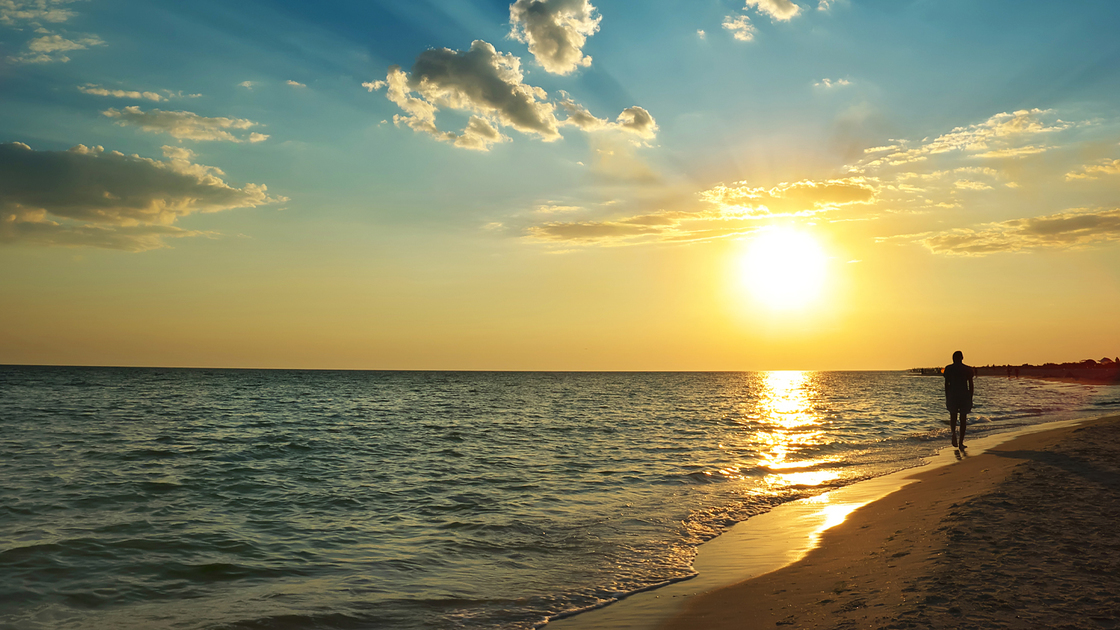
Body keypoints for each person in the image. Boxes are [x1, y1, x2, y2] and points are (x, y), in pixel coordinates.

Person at [944, 350, 974, 449]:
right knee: (963, 419)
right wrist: (970, 397)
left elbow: (946, 384)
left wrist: (947, 397)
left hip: (953, 395)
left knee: (953, 417)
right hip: (964, 395)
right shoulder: (968, 369)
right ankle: (961, 442)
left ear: (953, 358)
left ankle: (953, 435)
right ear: (962, 358)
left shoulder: (948, 369)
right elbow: (971, 384)